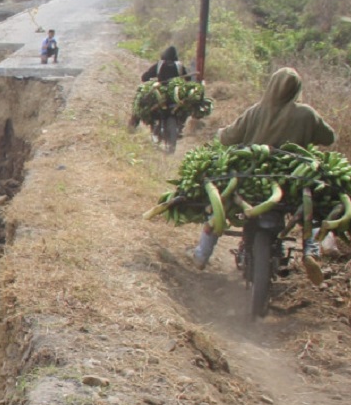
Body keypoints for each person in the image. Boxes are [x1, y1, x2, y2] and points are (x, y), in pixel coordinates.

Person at [192, 67, 336, 283]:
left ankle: (202, 254)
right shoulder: (306, 114)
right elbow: (329, 138)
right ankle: (311, 251)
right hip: (293, 181)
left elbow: (228, 137)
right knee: (313, 211)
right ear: (297, 89)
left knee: (219, 206)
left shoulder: (255, 111)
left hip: (250, 177)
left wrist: (220, 133)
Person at [130, 46, 191, 129]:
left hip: (161, 93)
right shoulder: (180, 66)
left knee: (141, 101)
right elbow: (188, 78)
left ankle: (133, 125)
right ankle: (181, 125)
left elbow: (145, 77)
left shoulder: (159, 65)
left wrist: (147, 78)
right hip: (176, 96)